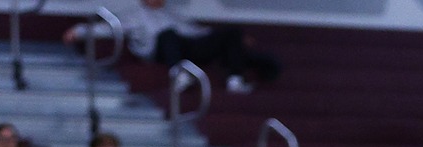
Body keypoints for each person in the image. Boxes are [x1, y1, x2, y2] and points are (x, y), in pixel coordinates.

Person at [66, 0, 279, 94]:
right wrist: (79, 30)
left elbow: (193, 31)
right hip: (159, 48)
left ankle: (236, 79)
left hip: (186, 45)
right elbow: (109, 28)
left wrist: (229, 38)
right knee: (168, 35)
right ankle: (178, 74)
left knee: (231, 33)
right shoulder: (135, 15)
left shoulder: (171, 12)